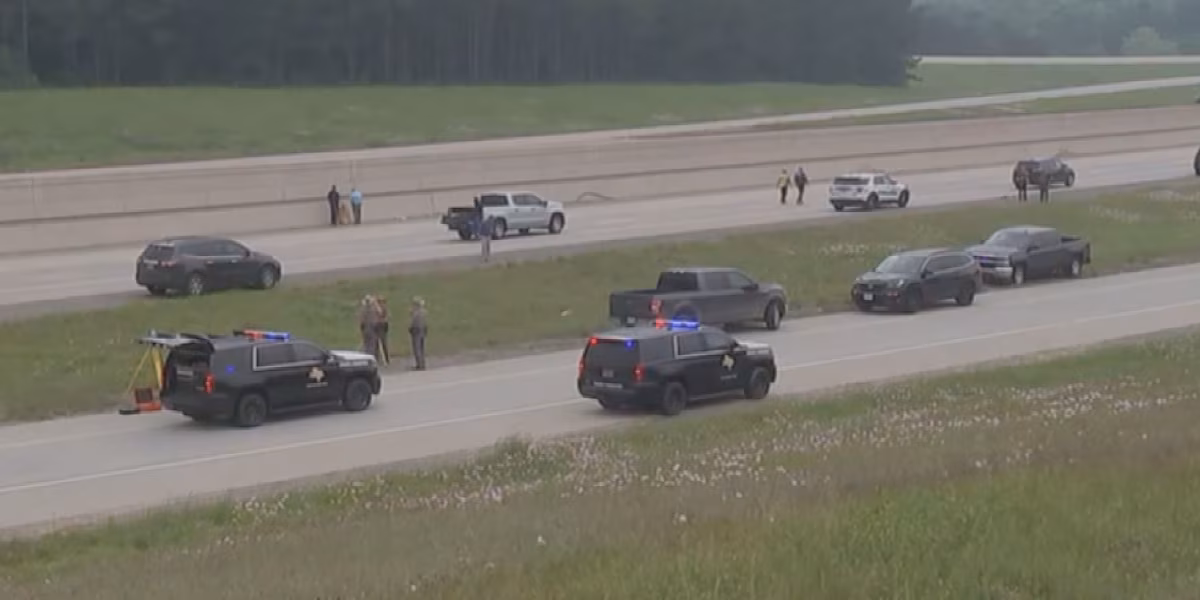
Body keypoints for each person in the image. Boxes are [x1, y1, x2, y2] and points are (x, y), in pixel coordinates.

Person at [358, 294, 382, 360]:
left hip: (366, 328)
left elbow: (361, 320)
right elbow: (380, 313)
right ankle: (371, 358)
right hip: (372, 327)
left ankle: (367, 357)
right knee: (372, 344)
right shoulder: (374, 309)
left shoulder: (363, 309)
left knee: (367, 344)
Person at [408, 297, 429, 370]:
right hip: (423, 329)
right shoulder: (424, 312)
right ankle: (422, 363)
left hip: (416, 330)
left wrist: (410, 329)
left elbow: (413, 322)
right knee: (422, 348)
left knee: (417, 348)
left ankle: (419, 364)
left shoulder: (416, 313)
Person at [374, 295, 391, 365]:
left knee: (382, 343)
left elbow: (384, 316)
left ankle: (385, 359)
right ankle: (379, 359)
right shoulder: (381, 308)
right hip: (380, 326)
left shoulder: (382, 309)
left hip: (381, 326)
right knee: (377, 344)